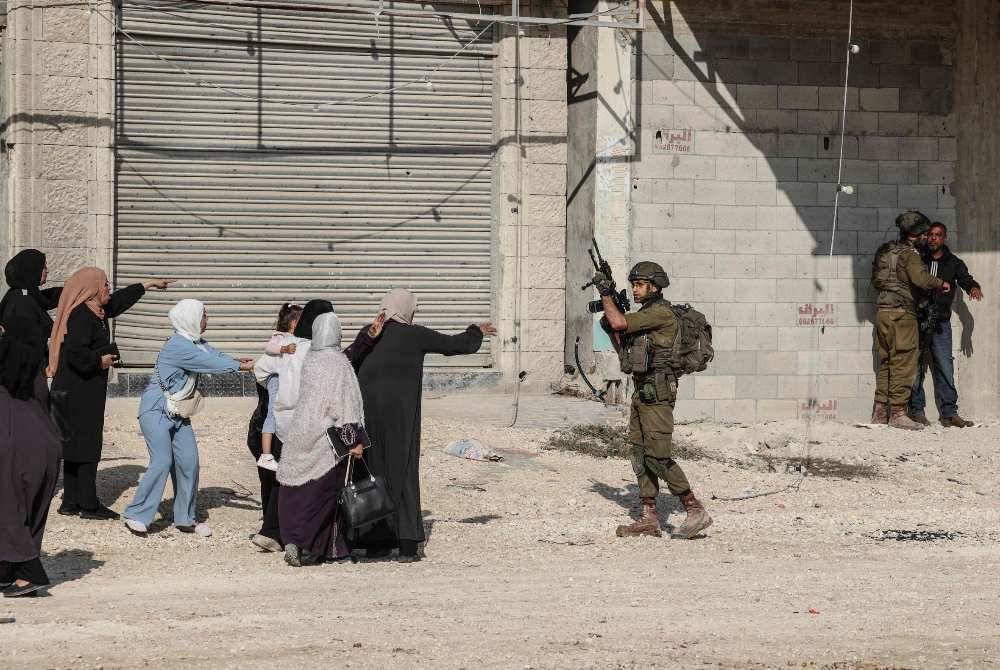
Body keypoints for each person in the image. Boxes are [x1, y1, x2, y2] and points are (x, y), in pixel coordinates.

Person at [355, 288, 495, 562]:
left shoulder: (369, 333)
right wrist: (476, 331)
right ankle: (407, 544)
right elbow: (455, 345)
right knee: (403, 471)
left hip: (368, 415)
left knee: (373, 469)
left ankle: (375, 542)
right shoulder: (415, 335)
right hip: (402, 417)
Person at [247, 300, 382, 553]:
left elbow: (261, 372)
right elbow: (341, 388)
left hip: (284, 423)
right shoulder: (322, 354)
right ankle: (314, 543)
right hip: (318, 426)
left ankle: (274, 532)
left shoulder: (287, 348)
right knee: (317, 486)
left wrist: (277, 393)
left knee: (284, 482)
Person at [593, 262, 712, 540]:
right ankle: (649, 517)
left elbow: (621, 321)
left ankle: (694, 509)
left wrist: (606, 293)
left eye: (639, 285)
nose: (634, 289)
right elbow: (624, 352)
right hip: (642, 391)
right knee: (638, 452)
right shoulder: (646, 316)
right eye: (633, 284)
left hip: (658, 393)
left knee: (657, 455)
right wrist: (610, 328)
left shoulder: (660, 314)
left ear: (655, 287)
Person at [49, 268, 174, 520]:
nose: (108, 288)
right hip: (78, 391)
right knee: (86, 445)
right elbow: (76, 354)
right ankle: (88, 504)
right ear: (92, 289)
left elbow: (117, 302)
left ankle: (71, 501)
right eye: (104, 285)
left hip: (78, 389)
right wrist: (101, 360)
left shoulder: (96, 311)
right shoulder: (81, 317)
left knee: (75, 445)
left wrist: (147, 284)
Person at [123, 299, 254, 537]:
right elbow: (211, 363)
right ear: (191, 318)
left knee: (189, 463)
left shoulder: (197, 343)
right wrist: (241, 367)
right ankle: (137, 514)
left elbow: (216, 354)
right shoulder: (178, 345)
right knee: (162, 461)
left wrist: (239, 361)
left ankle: (185, 518)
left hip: (178, 413)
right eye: (204, 315)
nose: (207, 319)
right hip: (156, 411)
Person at [278, 312, 367, 567]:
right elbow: (344, 405)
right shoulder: (339, 364)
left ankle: (328, 549)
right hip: (326, 439)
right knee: (325, 496)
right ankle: (303, 542)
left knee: (299, 492)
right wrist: (353, 440)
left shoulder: (311, 359)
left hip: (300, 431)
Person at [0, 317, 62, 597]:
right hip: (43, 434)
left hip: (9, 436)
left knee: (7, 507)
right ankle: (8, 570)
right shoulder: (26, 353)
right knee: (29, 508)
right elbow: (42, 395)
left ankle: (29, 571)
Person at [870, 211, 949, 430]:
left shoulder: (885, 251)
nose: (926, 237)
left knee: (885, 362)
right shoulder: (910, 255)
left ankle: (879, 412)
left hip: (883, 312)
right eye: (924, 233)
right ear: (917, 234)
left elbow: (876, 281)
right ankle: (897, 413)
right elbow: (920, 280)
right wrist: (940, 282)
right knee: (903, 362)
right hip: (902, 314)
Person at [907, 222, 983, 428]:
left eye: (937, 235)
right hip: (918, 320)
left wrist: (973, 288)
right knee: (916, 366)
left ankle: (949, 413)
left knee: (945, 366)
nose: (933, 238)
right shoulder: (918, 259)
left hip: (941, 323)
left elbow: (965, 279)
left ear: (944, 238)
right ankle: (916, 410)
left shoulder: (953, 263)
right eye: (930, 235)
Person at [257, 303, 303, 472]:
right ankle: (266, 455)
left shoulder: (298, 339)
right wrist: (283, 348)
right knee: (272, 412)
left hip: (282, 377)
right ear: (290, 321)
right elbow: (269, 347)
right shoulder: (280, 336)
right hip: (275, 377)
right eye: (299, 320)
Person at [0, 249, 62, 366]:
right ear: (32, 270)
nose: (47, 271)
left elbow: (47, 298)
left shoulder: (26, 293)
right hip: (26, 372)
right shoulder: (21, 300)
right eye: (43, 267)